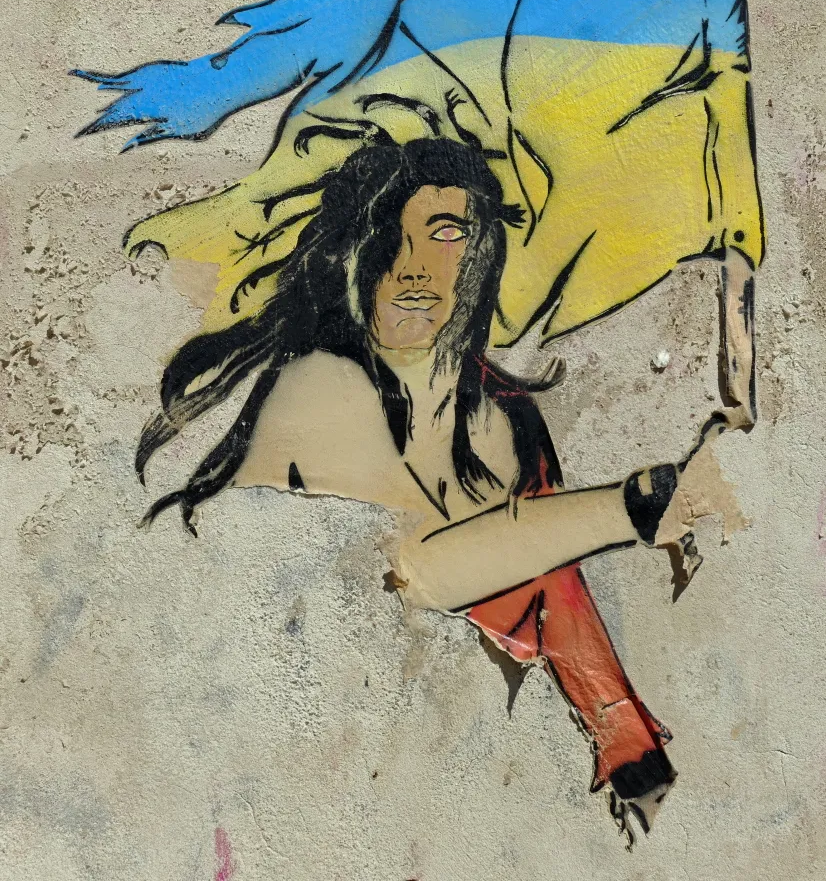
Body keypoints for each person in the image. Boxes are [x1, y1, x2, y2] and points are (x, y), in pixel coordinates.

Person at [139, 137, 701, 835]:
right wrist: (620, 512)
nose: (414, 267)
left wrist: (625, 739)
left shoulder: (499, 421)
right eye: (390, 235)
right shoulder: (317, 385)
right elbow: (404, 573)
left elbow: (552, 594)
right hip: (282, 713)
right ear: (353, 253)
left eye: (446, 233)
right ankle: (635, 507)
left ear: (481, 253)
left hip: (425, 766)